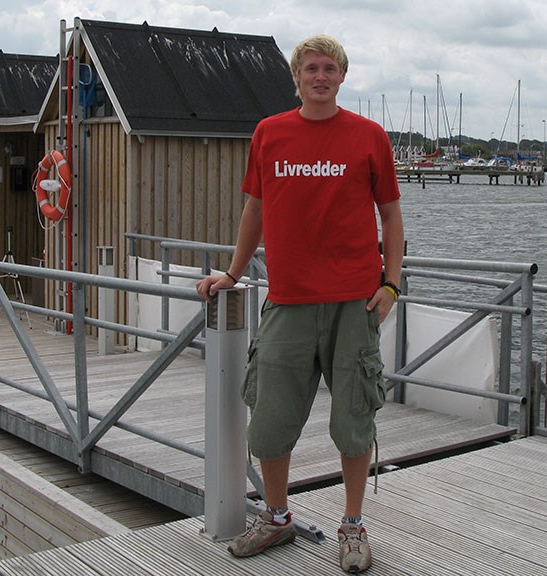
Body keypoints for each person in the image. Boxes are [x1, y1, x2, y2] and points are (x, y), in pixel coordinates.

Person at [195, 33, 403, 574]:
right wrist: (234, 272)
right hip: (287, 302)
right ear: (296, 77)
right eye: (310, 68)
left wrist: (391, 285)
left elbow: (392, 217)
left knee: (354, 419)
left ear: (341, 76)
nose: (319, 76)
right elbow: (254, 210)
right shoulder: (269, 135)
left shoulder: (369, 136)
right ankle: (278, 516)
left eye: (329, 68)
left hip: (354, 304)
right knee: (269, 419)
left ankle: (353, 527)